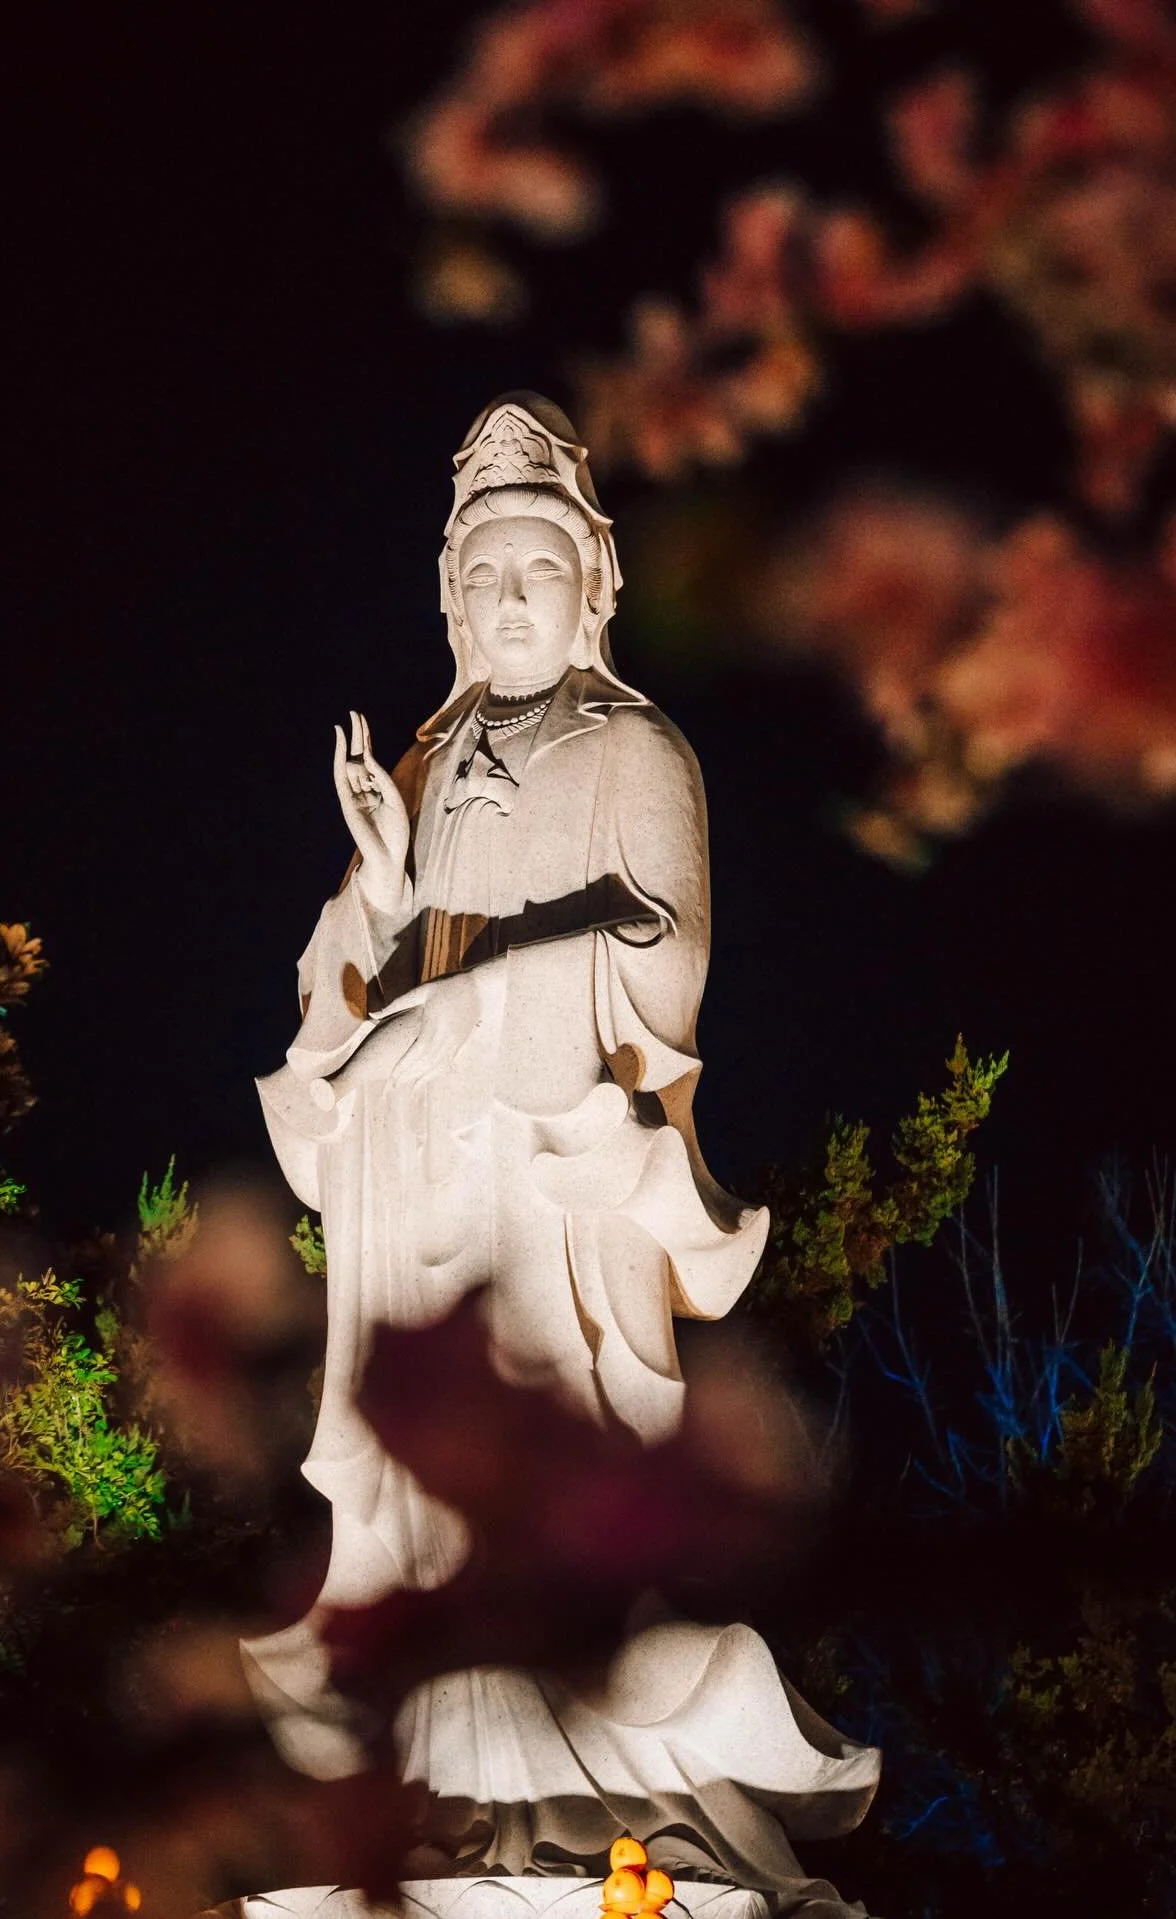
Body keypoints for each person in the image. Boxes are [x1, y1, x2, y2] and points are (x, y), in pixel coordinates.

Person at [244, 396, 878, 1917]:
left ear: (591, 589)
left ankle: (612, 1805)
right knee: (427, 1494)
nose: (509, 601)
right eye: (482, 580)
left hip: (554, 1188)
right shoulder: (418, 766)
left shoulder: (636, 746)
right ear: (448, 603)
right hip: (422, 1190)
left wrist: (476, 1000)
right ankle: (452, 1799)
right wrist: (386, 904)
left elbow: (667, 954)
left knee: (558, 1485)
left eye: (537, 573)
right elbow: (330, 995)